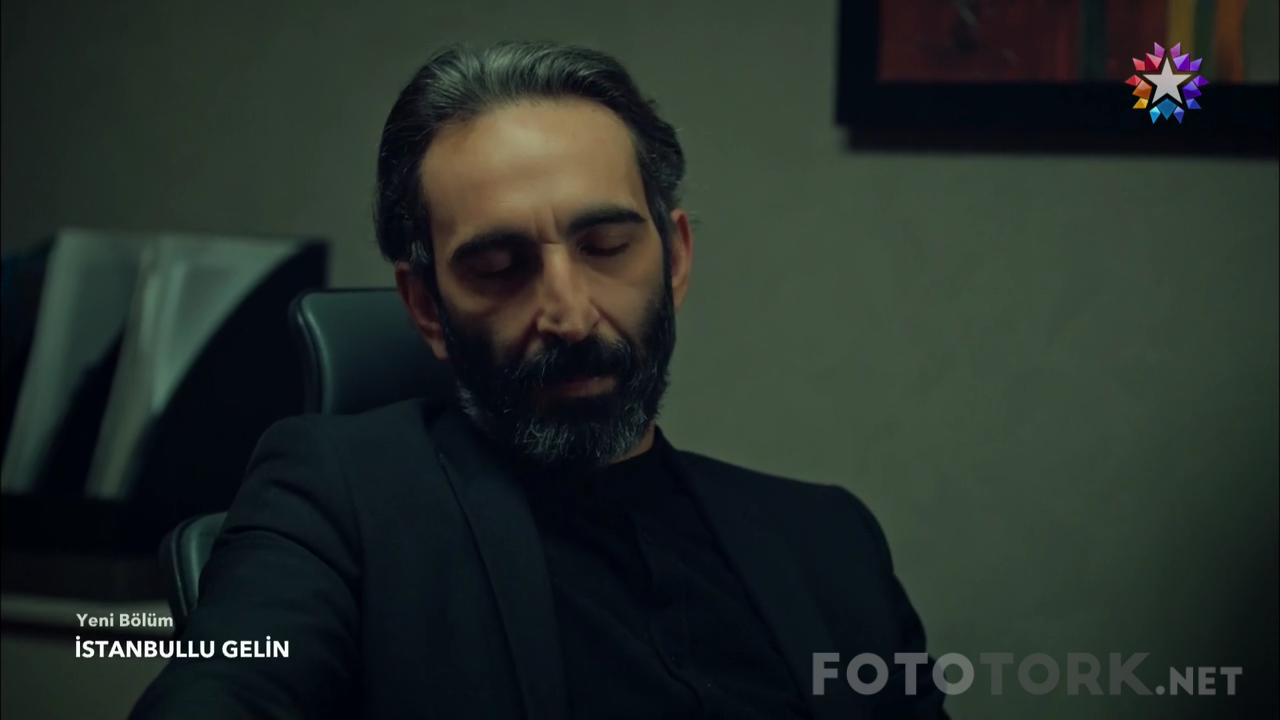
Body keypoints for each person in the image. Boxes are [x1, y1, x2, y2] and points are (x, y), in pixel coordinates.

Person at [130, 41, 948, 720]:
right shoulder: (337, 498)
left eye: (606, 248)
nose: (569, 313)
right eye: (498, 267)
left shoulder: (830, 540)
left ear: (675, 258)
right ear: (426, 306)